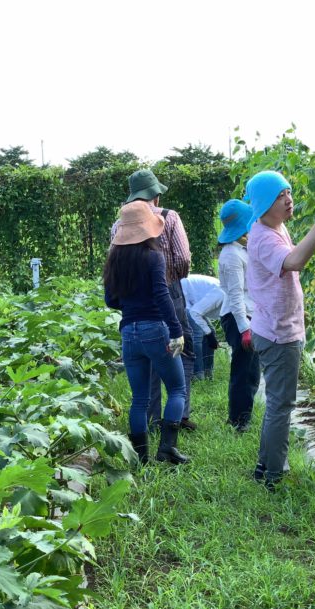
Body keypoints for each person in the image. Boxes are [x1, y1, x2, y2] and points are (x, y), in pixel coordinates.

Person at [244, 171, 315, 488]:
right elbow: (295, 261)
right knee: (281, 404)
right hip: (277, 334)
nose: (289, 199)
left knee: (278, 402)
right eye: (280, 195)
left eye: (289, 192)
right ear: (263, 203)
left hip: (277, 328)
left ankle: (266, 466)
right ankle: (273, 475)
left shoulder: (274, 227)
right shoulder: (263, 237)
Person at [103, 201, 190, 465]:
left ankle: (140, 458)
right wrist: (176, 330)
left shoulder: (114, 260)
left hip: (129, 332)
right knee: (177, 389)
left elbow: (111, 300)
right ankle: (167, 449)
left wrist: (131, 306)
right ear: (148, 229)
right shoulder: (154, 257)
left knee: (139, 398)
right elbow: (162, 296)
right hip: (156, 330)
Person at [110, 169, 197, 431]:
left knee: (143, 382)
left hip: (129, 309)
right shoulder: (169, 218)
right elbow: (182, 259)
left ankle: (149, 424)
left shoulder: (118, 226)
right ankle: (176, 422)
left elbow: (111, 285)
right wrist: (170, 280)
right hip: (166, 294)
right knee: (182, 353)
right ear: (155, 197)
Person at [216, 199, 260, 432]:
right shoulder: (232, 254)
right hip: (238, 317)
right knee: (243, 372)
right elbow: (235, 295)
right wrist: (245, 328)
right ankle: (238, 421)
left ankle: (242, 418)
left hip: (246, 316)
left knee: (251, 371)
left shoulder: (241, 249)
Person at [181, 273, 225, 380]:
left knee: (211, 331)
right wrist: (209, 334)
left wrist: (210, 334)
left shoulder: (228, 298)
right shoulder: (221, 294)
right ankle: (197, 375)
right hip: (183, 296)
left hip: (194, 302)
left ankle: (208, 372)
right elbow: (195, 312)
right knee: (198, 333)